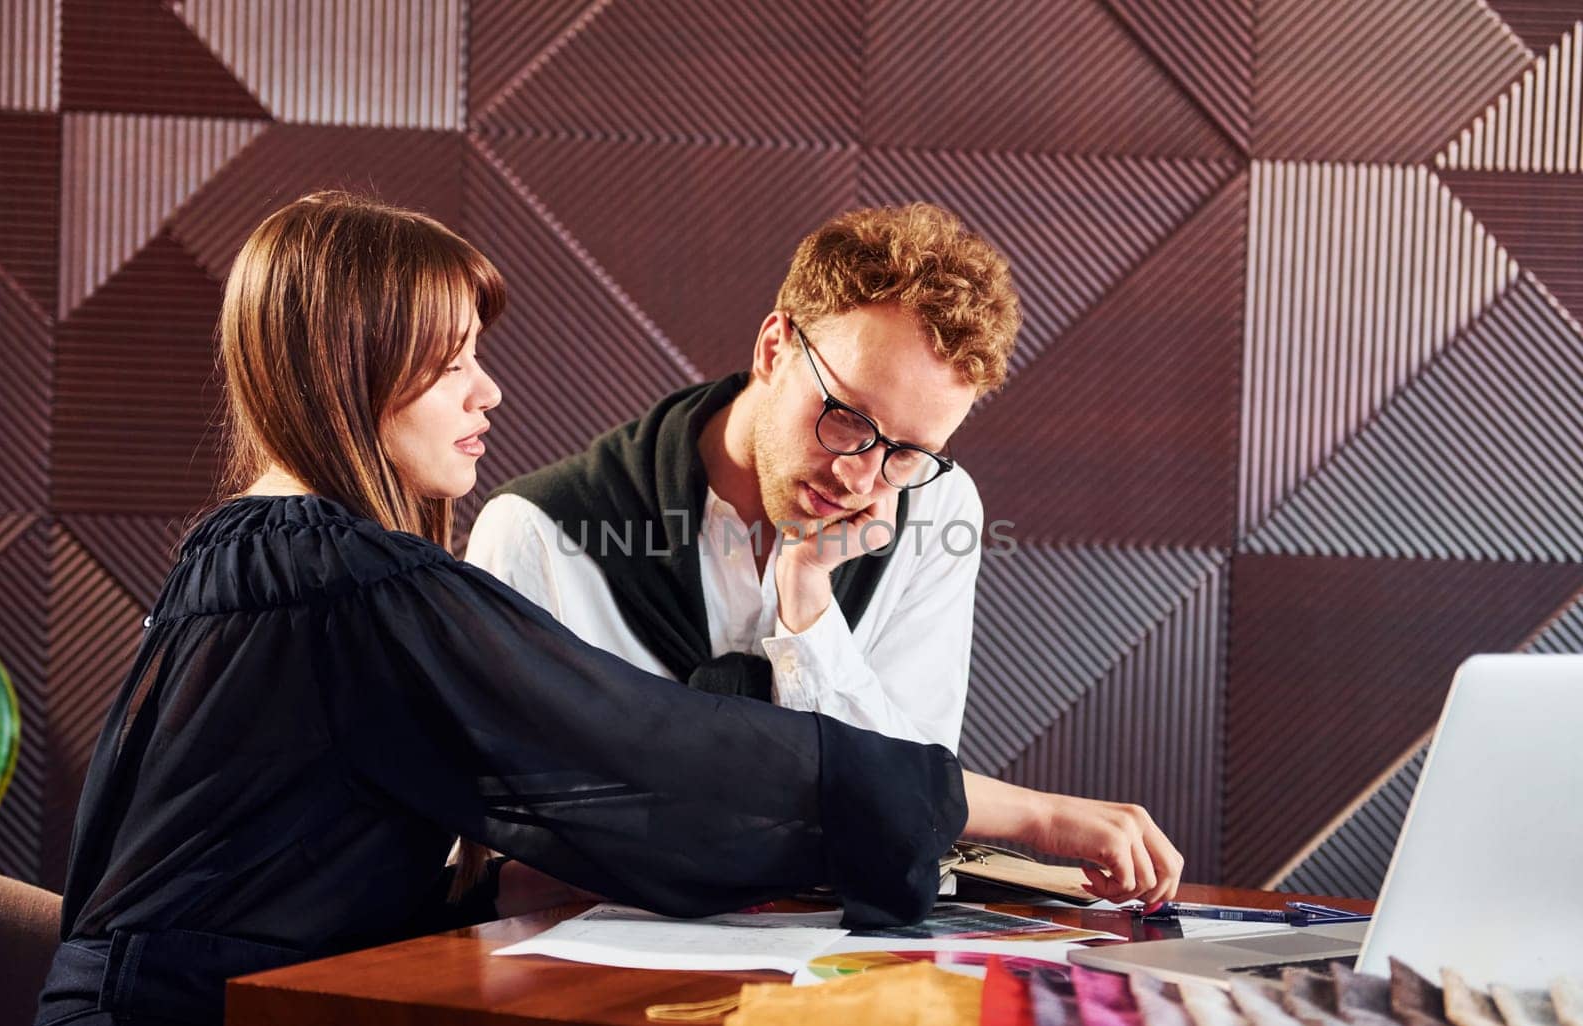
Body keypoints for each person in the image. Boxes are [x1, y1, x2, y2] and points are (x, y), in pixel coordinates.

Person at [28, 192, 966, 1026]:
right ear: (351, 375)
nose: (489, 394)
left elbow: (286, 869)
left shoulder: (248, 550)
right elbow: (657, 746)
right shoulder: (349, 580)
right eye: (451, 365)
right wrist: (1011, 809)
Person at [468, 203, 1184, 907]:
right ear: (773, 349)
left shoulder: (934, 508)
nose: (859, 476)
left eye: (907, 452)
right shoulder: (538, 533)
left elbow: (909, 798)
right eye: (845, 417)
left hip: (832, 960)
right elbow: (501, 848)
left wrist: (807, 599)